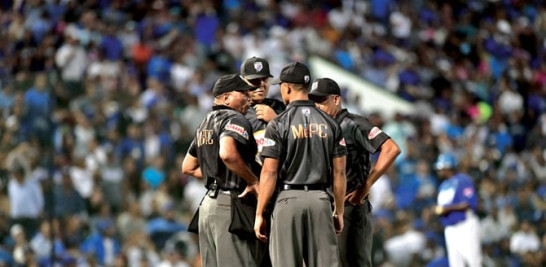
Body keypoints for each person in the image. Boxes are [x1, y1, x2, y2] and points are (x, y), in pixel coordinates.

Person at [254, 62, 347, 267]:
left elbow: (269, 173)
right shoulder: (331, 123)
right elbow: (340, 173)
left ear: (286, 87)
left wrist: (260, 213)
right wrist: (339, 211)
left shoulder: (278, 123)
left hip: (288, 201)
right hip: (321, 201)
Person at [308, 78, 400, 267]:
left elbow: (391, 148)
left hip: (350, 206)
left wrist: (366, 185)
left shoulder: (353, 123)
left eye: (322, 101)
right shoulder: (321, 128)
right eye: (315, 101)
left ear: (336, 100)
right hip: (326, 207)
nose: (318, 106)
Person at [181, 73, 260, 267]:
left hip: (208, 205)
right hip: (228, 206)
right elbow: (227, 154)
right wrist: (253, 180)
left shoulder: (205, 123)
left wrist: (216, 174)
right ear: (226, 98)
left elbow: (188, 167)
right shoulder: (235, 118)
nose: (249, 99)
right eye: (243, 94)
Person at [433, 153, 482, 267]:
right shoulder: (443, 185)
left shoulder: (463, 180)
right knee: (456, 264)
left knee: (474, 262)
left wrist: (447, 209)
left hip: (465, 225)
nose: (439, 171)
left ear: (448, 167)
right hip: (450, 229)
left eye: (441, 168)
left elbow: (468, 203)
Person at [240, 57, 286, 165]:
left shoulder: (280, 107)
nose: (261, 85)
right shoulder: (237, 111)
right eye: (254, 80)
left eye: (264, 79)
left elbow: (298, 141)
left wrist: (275, 120)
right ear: (242, 80)